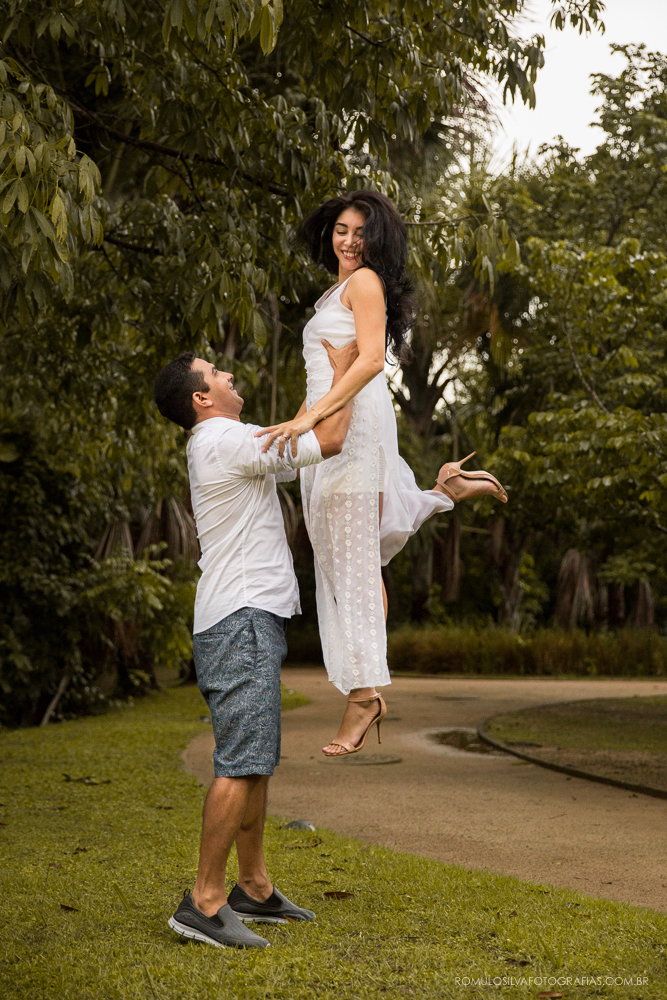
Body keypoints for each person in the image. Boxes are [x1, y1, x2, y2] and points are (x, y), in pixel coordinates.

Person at [257, 190, 507, 758]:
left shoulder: (365, 282)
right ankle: (442, 492)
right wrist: (292, 426)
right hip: (328, 428)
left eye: (360, 232)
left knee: (353, 566)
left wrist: (315, 417)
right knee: (348, 558)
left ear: (377, 241)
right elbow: (322, 377)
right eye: (341, 230)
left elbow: (369, 360)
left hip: (353, 428)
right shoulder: (334, 289)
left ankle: (365, 694)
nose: (349, 240)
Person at [153, 339, 358, 949]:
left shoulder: (232, 442)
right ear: (201, 397)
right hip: (239, 616)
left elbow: (298, 429)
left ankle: (254, 888)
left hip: (247, 614)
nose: (229, 373)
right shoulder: (223, 441)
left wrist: (331, 378)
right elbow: (331, 437)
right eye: (217, 372)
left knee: (256, 759)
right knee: (242, 761)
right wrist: (350, 373)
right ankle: (204, 901)